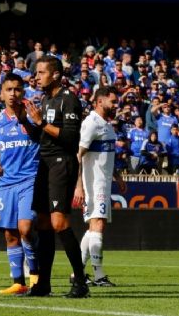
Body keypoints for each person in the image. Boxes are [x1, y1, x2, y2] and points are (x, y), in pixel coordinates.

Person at [24, 55, 88, 298]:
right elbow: (40, 136)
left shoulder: (68, 100)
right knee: (41, 223)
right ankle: (43, 284)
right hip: (45, 161)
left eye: (41, 72)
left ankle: (80, 282)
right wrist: (25, 119)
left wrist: (40, 122)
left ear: (56, 75)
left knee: (59, 222)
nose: (36, 76)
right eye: (36, 72)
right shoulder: (46, 99)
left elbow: (71, 139)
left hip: (62, 161)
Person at [0, 73, 41, 295]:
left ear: (23, 92)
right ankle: (19, 283)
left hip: (31, 180)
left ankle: (36, 277)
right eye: (9, 89)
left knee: (26, 229)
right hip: (6, 183)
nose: (13, 94)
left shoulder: (33, 116)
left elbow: (43, 139)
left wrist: (30, 120)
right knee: (10, 234)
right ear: (1, 93)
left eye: (17, 89)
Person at [73, 87, 127, 287]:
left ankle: (77, 272)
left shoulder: (107, 125)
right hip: (92, 183)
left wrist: (117, 177)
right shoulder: (91, 123)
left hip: (103, 182)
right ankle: (98, 275)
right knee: (98, 225)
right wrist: (79, 186)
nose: (116, 105)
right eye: (112, 101)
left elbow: (107, 155)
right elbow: (78, 155)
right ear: (99, 101)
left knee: (94, 226)